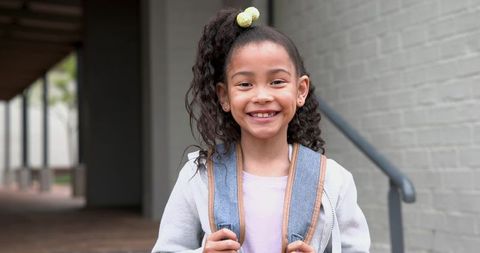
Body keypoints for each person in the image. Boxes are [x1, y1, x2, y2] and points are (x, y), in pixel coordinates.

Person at [152, 7, 370, 253]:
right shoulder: (199, 174)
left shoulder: (332, 180)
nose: (262, 96)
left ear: (301, 91)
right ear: (224, 96)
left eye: (277, 82)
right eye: (245, 84)